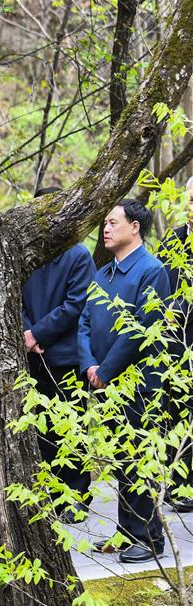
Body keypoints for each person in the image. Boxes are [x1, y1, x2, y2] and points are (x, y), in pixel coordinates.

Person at [78, 198, 169, 564]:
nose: (106, 228)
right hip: (103, 382)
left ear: (135, 227)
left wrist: (107, 369)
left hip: (138, 382)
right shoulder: (102, 275)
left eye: (113, 222)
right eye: (105, 223)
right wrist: (88, 365)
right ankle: (127, 531)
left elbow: (140, 330)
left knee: (139, 459)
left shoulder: (151, 271)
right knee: (120, 461)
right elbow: (84, 323)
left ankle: (149, 539)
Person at [22, 187, 96, 522]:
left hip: (65, 357)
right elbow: (14, 297)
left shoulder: (78, 255)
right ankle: (52, 492)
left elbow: (76, 304)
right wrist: (27, 332)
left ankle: (77, 496)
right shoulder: (27, 255)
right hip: (32, 356)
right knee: (41, 428)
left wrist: (38, 332)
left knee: (70, 426)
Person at [155, 175, 193, 514]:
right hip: (176, 348)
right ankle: (180, 488)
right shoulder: (174, 239)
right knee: (178, 414)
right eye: (190, 201)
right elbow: (159, 286)